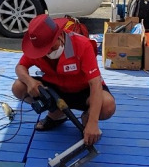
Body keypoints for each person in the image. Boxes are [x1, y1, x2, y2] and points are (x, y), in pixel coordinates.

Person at [12, 14, 116, 146]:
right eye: (43, 50)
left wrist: (92, 123)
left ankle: (87, 118)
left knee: (107, 105)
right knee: (18, 87)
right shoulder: (36, 47)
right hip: (54, 90)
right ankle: (57, 114)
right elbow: (20, 67)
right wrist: (29, 81)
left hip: (83, 91)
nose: (47, 53)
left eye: (51, 47)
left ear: (60, 35)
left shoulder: (82, 45)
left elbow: (95, 83)